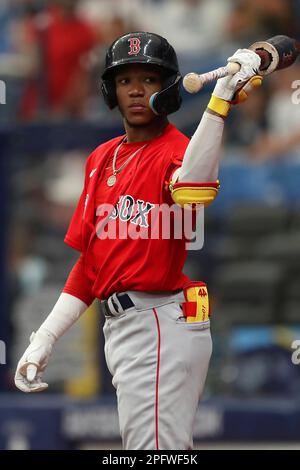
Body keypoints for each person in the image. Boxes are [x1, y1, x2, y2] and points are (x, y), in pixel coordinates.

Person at [14, 32, 261, 450]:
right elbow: (92, 264)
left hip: (160, 320)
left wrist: (219, 104)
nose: (136, 90)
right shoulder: (101, 157)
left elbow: (194, 189)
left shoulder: (177, 149)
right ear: (110, 89)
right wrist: (46, 336)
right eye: (126, 80)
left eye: (148, 80)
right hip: (124, 329)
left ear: (167, 89)